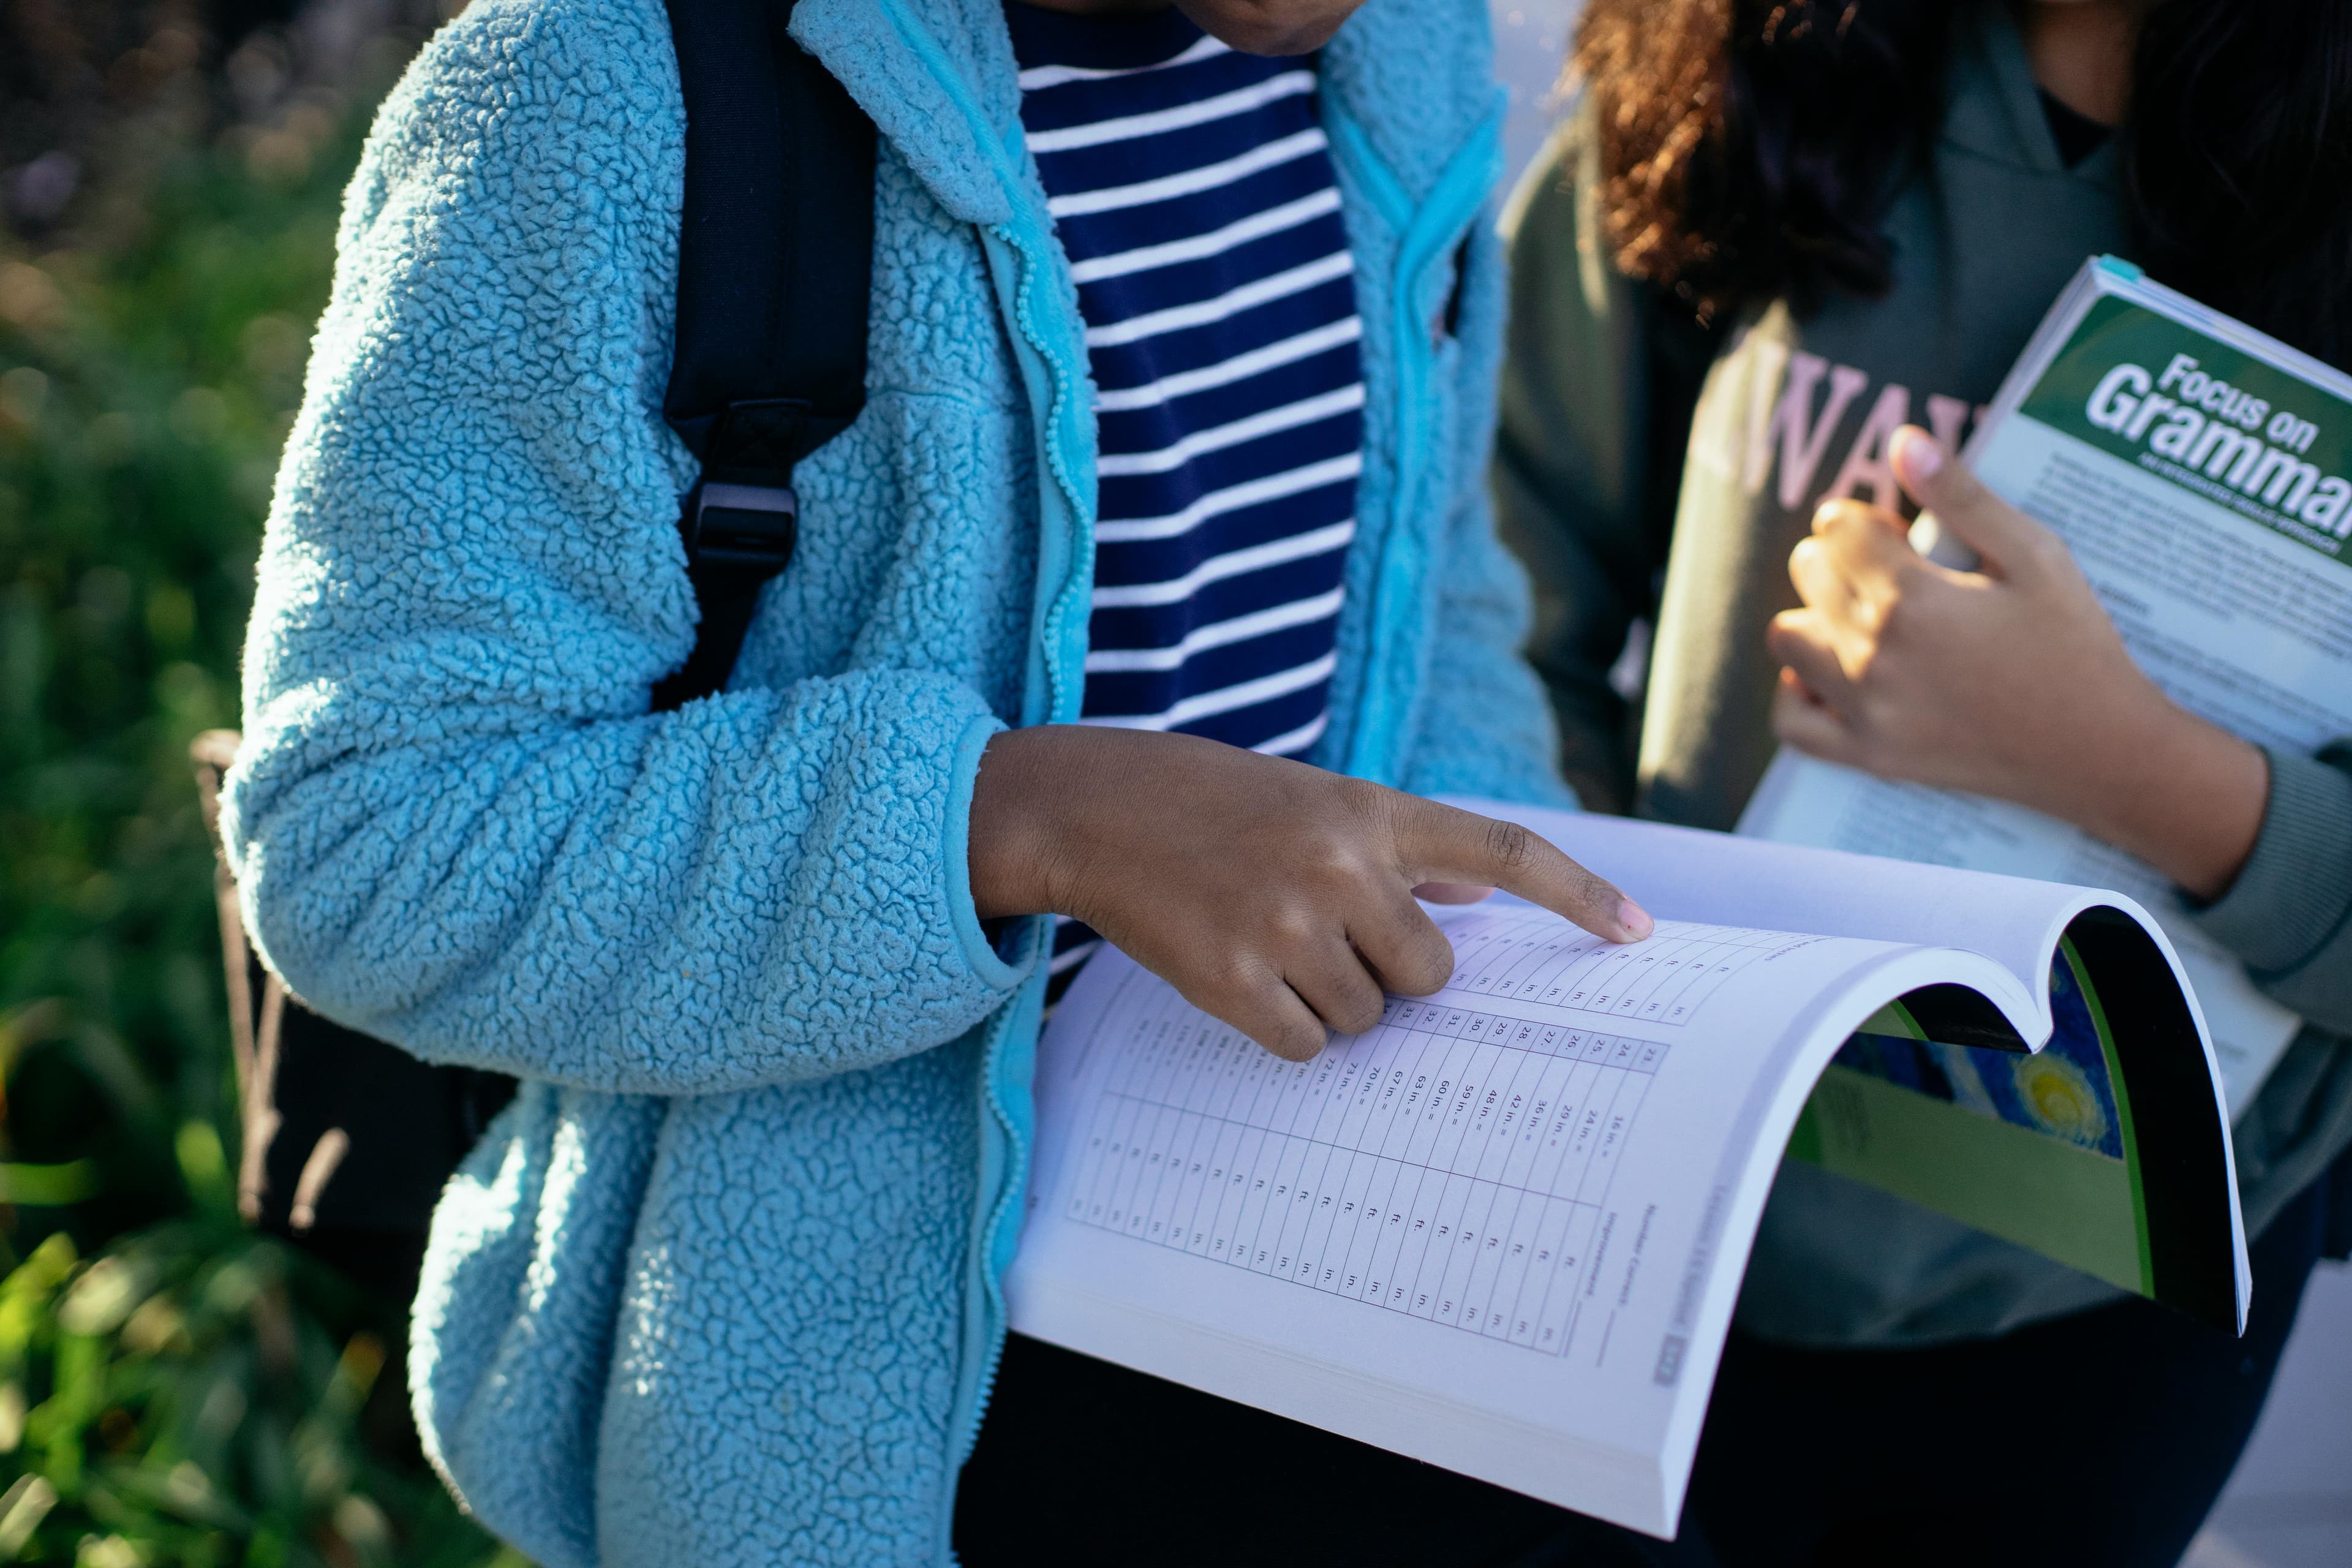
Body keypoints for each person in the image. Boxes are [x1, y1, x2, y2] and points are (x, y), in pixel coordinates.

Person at [222, 0, 1656, 1564]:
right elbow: (372, 832)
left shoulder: (1401, 56)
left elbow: (1430, 597)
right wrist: (1027, 820)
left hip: (1347, 1321)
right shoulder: (599, 85)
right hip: (861, 1424)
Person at [1497, 0, 2352, 1561]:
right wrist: (1599, 984)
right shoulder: (1716, 56)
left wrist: (2126, 766)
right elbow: (1482, 606)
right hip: (1646, 1214)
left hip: (2118, 1295)